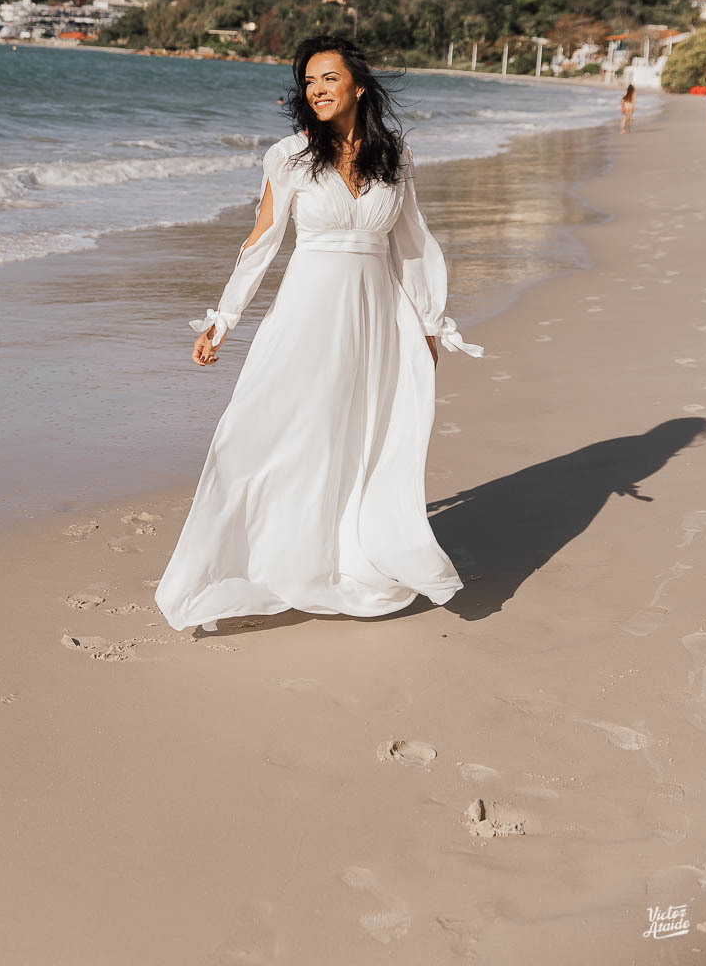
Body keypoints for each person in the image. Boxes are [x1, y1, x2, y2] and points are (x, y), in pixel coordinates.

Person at [154, 34, 482, 635]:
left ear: (357, 85)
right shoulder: (288, 156)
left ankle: (346, 551)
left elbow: (411, 244)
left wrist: (430, 324)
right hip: (307, 315)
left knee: (358, 435)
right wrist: (222, 320)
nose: (317, 90)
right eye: (309, 81)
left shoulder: (396, 156)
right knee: (268, 431)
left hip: (377, 318)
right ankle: (242, 558)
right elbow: (261, 242)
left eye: (328, 78)